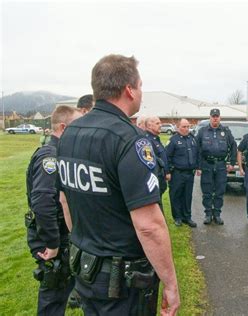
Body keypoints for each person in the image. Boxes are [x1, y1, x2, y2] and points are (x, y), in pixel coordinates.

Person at [57, 54, 180, 315]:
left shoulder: (70, 134)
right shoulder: (130, 139)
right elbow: (148, 225)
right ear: (129, 90)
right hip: (121, 284)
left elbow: (65, 200)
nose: (141, 93)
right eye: (141, 86)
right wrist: (170, 282)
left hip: (85, 268)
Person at [26, 105, 82, 315]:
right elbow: (42, 200)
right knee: (54, 294)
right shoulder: (50, 156)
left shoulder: (62, 152)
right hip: (53, 235)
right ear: (62, 127)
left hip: (63, 233)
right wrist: (52, 242)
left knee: (65, 285)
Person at [195, 108, 237, 225]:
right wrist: (198, 166)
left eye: (217, 116)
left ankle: (217, 214)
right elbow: (197, 149)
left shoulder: (226, 131)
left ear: (220, 118)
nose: (215, 118)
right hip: (206, 164)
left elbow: (233, 147)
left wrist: (232, 163)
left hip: (221, 165)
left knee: (220, 190)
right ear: (210, 117)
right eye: (213, 116)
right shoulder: (203, 131)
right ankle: (208, 214)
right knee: (207, 191)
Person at [166, 118, 198, 227]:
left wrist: (197, 167)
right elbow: (167, 157)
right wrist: (168, 171)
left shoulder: (192, 139)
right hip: (177, 173)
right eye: (183, 127)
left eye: (188, 126)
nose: (186, 129)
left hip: (189, 173)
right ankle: (177, 217)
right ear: (178, 127)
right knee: (176, 195)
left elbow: (196, 154)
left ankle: (187, 217)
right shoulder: (173, 140)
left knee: (187, 196)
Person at [144, 116, 170, 212]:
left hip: (160, 179)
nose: (161, 125)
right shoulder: (147, 141)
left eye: (160, 123)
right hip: (155, 181)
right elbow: (150, 164)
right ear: (149, 126)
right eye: (157, 123)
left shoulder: (156, 139)